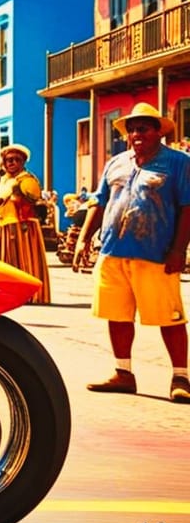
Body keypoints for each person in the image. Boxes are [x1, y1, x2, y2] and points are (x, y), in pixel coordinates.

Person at [79, 103, 190, 403]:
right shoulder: (116, 163)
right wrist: (83, 238)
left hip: (156, 254)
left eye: (143, 128)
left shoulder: (178, 163)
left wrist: (179, 249)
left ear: (158, 131)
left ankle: (181, 376)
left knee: (170, 317)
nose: (136, 133)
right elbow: (99, 202)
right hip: (113, 251)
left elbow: (187, 207)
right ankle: (123, 373)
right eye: (131, 129)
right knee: (116, 314)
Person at [0, 144, 51, 304]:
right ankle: (12, 295)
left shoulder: (26, 179)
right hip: (6, 223)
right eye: (8, 160)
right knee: (9, 262)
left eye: (16, 160)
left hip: (24, 225)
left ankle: (32, 295)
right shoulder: (4, 180)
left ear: (23, 162)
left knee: (27, 261)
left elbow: (33, 199)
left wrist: (18, 195)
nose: (12, 163)